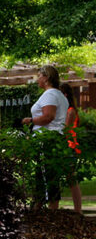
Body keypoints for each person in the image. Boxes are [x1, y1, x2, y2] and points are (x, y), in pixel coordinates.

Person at [22, 65, 68, 209]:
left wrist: (30, 121)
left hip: (47, 139)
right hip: (54, 138)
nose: (37, 80)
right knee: (47, 176)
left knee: (45, 176)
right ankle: (41, 210)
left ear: (46, 77)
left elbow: (48, 116)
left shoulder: (50, 94)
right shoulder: (59, 95)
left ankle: (50, 212)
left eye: (39, 76)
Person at [61, 82, 84, 214]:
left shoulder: (70, 111)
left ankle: (78, 209)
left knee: (71, 179)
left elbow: (65, 129)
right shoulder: (68, 110)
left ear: (65, 94)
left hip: (69, 147)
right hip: (67, 146)